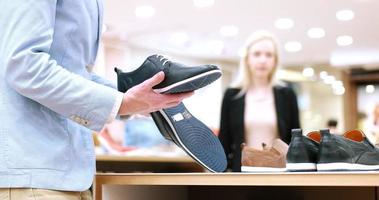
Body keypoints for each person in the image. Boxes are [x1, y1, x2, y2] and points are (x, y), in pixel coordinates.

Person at [0, 1, 192, 199]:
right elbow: (24, 65)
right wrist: (121, 103)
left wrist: (130, 99)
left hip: (67, 176)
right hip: (34, 174)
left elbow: (75, 71)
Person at [219, 30, 300, 172]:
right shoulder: (232, 95)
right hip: (242, 172)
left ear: (275, 60)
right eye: (257, 54)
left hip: (280, 173)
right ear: (247, 59)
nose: (263, 60)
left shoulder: (287, 94)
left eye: (269, 55)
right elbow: (224, 141)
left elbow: (296, 141)